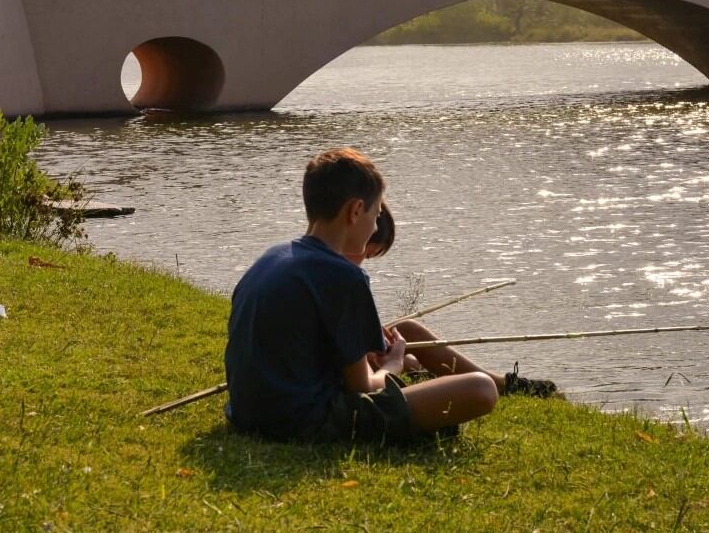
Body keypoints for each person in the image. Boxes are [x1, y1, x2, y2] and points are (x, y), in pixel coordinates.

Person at [224, 148, 556, 446]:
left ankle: (504, 383)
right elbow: (365, 388)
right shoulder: (344, 275)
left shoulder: (273, 255)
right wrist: (394, 364)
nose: (373, 227)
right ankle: (491, 384)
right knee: (479, 390)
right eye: (375, 215)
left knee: (408, 334)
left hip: (247, 413)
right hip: (302, 423)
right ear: (356, 211)